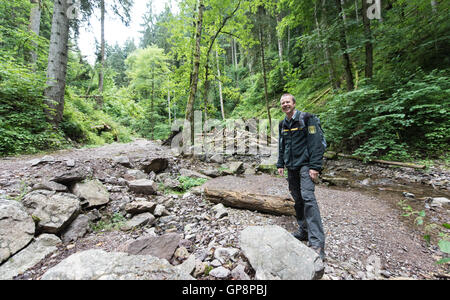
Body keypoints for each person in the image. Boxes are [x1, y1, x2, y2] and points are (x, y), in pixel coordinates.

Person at [276, 93, 326, 260]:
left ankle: (317, 242)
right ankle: (303, 231)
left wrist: (315, 166)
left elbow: (316, 142)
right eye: (283, 103)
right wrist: (280, 163)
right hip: (291, 166)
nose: (285, 105)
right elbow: (281, 145)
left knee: (308, 198)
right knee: (297, 199)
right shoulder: (282, 123)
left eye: (287, 102)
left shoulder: (307, 118)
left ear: (294, 103)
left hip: (306, 165)